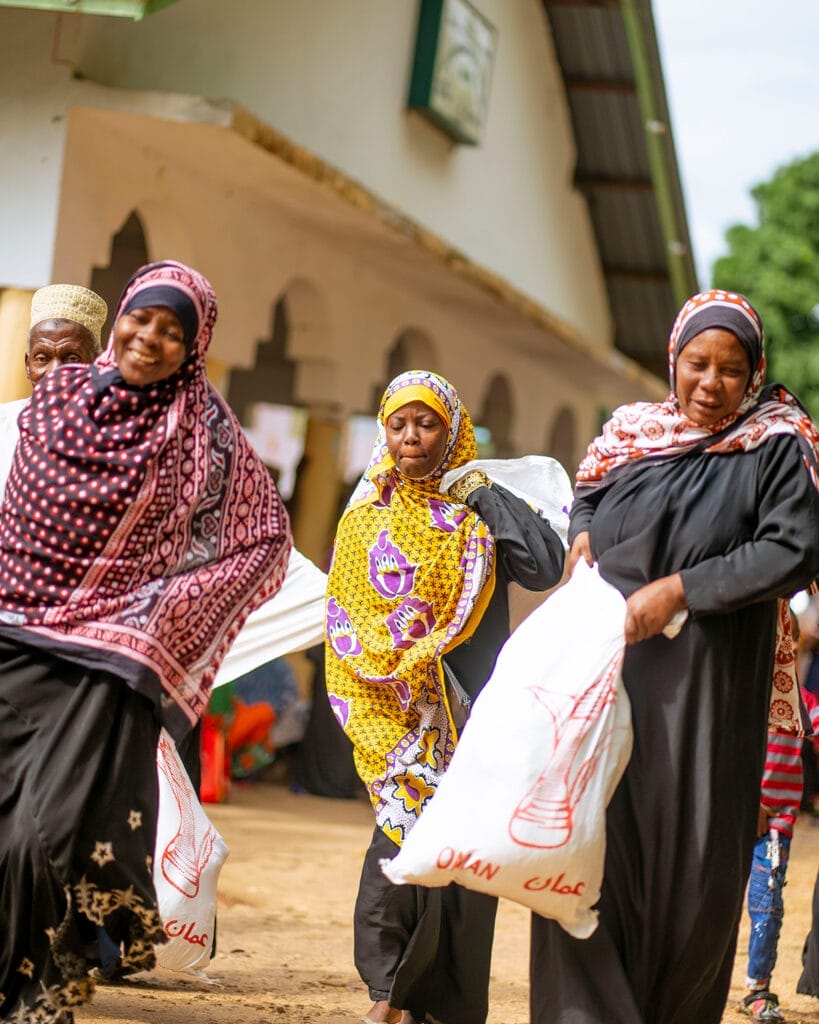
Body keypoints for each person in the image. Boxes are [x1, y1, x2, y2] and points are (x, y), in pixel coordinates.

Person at [0, 260, 292, 1022]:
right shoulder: (55, 400)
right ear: (120, 318)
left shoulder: (209, 435)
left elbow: (264, 539)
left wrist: (162, 616)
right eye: (142, 319)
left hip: (102, 672)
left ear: (193, 347)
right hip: (13, 639)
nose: (149, 338)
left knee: (43, 837)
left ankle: (35, 991)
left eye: (171, 331)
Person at [530, 289, 819, 1024]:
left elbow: (792, 549)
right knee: (589, 845)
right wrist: (583, 534)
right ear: (674, 361)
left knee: (692, 866)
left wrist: (681, 590)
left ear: (754, 373)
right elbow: (589, 491)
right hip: (608, 679)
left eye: (730, 368)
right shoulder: (636, 431)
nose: (710, 383)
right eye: (696, 364)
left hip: (706, 688)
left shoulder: (778, 443)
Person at [325, 369, 565, 1024]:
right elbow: (347, 616)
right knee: (399, 839)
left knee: (465, 857)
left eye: (427, 423)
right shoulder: (367, 512)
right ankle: (387, 991)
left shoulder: (475, 509)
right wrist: (390, 675)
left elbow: (544, 563)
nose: (411, 437)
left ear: (453, 431)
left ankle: (443, 1006)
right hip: (395, 709)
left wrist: (478, 491)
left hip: (471, 710)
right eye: (398, 424)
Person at [0, 283, 105, 489]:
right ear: (28, 365)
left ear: (97, 364)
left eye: (71, 358)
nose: (55, 372)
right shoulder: (2, 423)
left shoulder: (111, 435)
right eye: (42, 358)